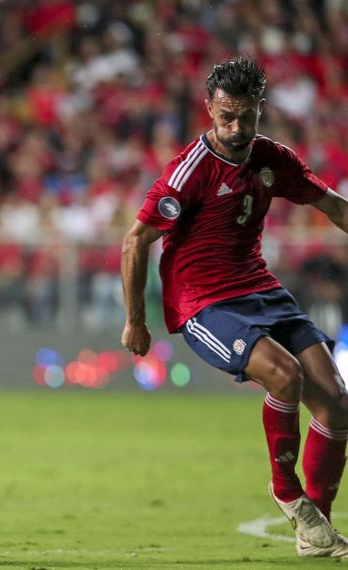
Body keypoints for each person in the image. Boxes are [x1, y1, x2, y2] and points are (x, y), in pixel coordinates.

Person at [121, 56, 348, 560]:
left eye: (247, 116)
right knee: (285, 376)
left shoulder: (272, 158)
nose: (237, 128)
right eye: (227, 116)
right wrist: (136, 320)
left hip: (260, 288)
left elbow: (332, 205)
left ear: (260, 109)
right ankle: (286, 492)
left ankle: (317, 530)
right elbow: (136, 241)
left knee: (336, 401)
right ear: (209, 110)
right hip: (202, 301)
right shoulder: (190, 170)